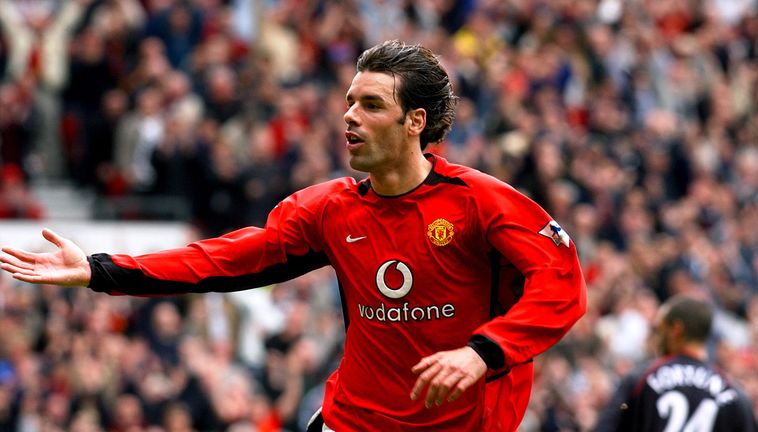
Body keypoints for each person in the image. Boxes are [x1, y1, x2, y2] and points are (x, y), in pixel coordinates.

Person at [0, 40, 587, 432]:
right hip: (350, 423)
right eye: (349, 102)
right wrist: (102, 269)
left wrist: (482, 352)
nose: (350, 116)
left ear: (416, 122)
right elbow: (227, 259)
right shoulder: (330, 209)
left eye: (372, 105)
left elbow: (561, 286)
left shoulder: (481, 202)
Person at [594, 294, 757, 432]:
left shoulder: (641, 380)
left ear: (676, 329)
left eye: (659, 329)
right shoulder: (732, 391)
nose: (656, 338)